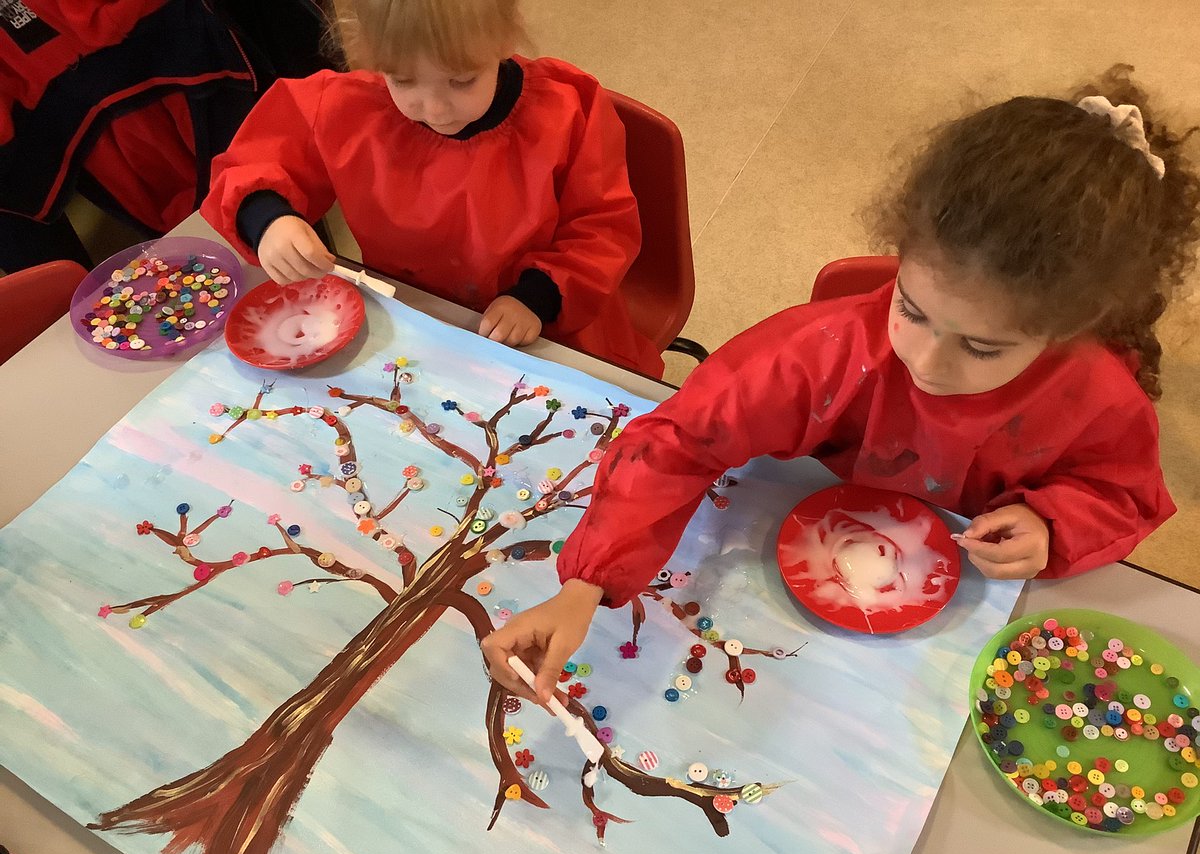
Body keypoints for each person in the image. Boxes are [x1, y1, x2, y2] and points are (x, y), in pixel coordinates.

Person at [482, 64, 1200, 703]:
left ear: (1071, 329)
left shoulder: (1096, 396)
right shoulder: (821, 353)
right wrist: (585, 584)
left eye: (982, 348)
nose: (927, 362)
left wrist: (1055, 524)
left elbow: (1120, 491)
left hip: (946, 631)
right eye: (910, 310)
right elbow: (678, 441)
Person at [200, 0, 662, 377]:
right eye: (402, 80)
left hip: (549, 324)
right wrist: (269, 219)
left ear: (503, 40)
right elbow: (257, 161)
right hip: (412, 321)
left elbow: (601, 227)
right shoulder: (347, 105)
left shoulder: (567, 113)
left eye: (461, 80)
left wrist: (536, 298)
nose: (435, 108)